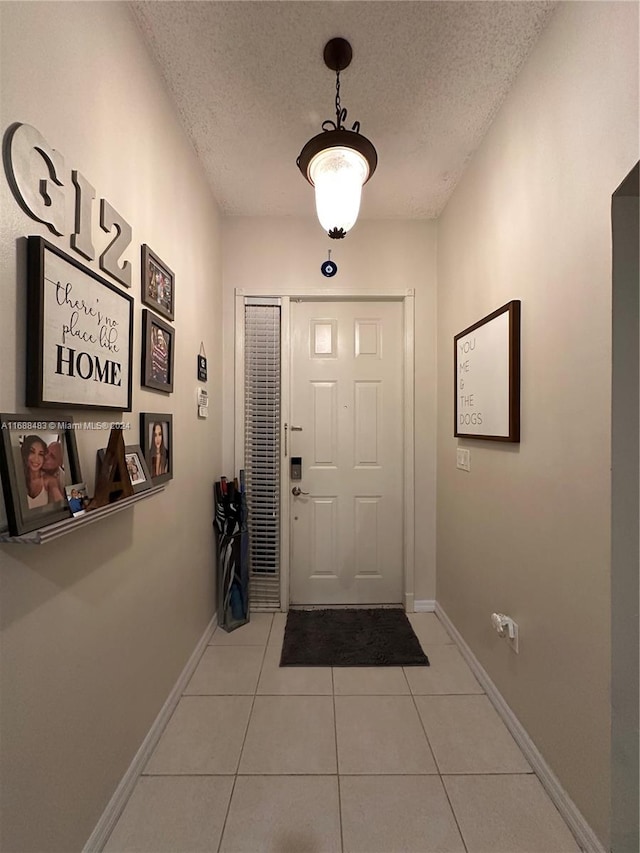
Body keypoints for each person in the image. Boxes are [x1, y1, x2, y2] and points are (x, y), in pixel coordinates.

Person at [21, 435, 64, 509]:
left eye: (41, 454)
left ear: (59, 464)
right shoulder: (18, 475)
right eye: (46, 452)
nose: (46, 457)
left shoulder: (59, 480)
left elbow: (60, 501)